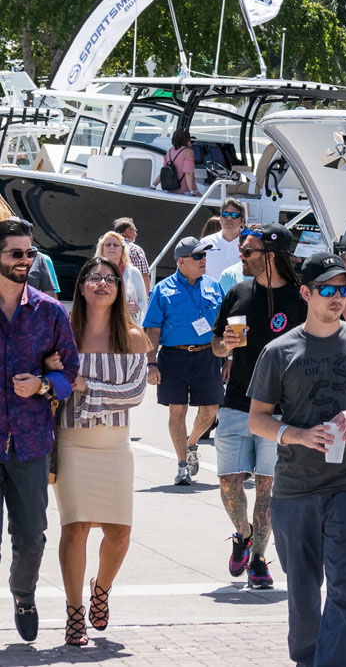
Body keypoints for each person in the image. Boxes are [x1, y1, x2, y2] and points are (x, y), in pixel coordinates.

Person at [248, 250, 346, 667]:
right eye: (327, 289)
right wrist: (296, 434)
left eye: (344, 289)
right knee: (303, 589)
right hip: (294, 488)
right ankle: (307, 657)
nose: (337, 297)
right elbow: (257, 420)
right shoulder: (280, 351)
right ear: (306, 293)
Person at [53, 257, 150, 646]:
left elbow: (136, 393)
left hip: (115, 445)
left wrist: (83, 384)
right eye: (93, 278)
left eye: (110, 279)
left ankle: (101, 589)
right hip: (72, 441)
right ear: (80, 286)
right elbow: (55, 379)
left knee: (119, 534)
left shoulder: (133, 335)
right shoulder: (64, 332)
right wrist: (66, 382)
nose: (102, 284)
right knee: (75, 528)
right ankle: (74, 611)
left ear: (120, 288)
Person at [210, 222, 306, 590]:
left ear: (272, 255)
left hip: (283, 408)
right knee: (229, 484)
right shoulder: (237, 292)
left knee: (268, 487)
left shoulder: (301, 299)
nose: (241, 255)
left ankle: (259, 558)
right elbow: (216, 345)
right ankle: (242, 534)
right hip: (237, 401)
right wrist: (226, 346)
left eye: (248, 251)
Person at [0, 217, 77, 642]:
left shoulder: (48, 311)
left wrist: (43, 384)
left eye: (30, 253)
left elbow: (72, 375)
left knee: (31, 536)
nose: (25, 261)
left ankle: (23, 594)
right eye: (16, 253)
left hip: (30, 442)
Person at [142, 236, 225, 486]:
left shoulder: (214, 286)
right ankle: (182, 465)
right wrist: (151, 363)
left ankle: (192, 443)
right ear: (182, 261)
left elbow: (223, 326)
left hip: (208, 354)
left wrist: (228, 357)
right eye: (198, 256)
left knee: (211, 408)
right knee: (178, 409)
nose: (203, 261)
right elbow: (152, 329)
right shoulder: (162, 290)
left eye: (204, 256)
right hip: (174, 356)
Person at [93, 231, 148, 319]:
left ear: (122, 250)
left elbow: (143, 301)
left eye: (115, 245)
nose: (112, 247)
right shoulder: (93, 271)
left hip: (126, 324)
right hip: (100, 321)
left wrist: (135, 308)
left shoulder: (133, 272)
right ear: (102, 249)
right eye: (108, 245)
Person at [205, 199, 248, 285]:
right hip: (212, 296)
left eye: (234, 215)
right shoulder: (205, 242)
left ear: (242, 221)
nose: (229, 218)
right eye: (225, 214)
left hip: (240, 296)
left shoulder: (250, 244)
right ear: (220, 219)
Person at [111, 218, 151, 295]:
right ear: (128, 231)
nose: (136, 234)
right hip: (129, 295)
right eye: (135, 231)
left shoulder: (107, 248)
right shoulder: (135, 249)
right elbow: (144, 276)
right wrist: (147, 297)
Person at [162, 129, 198, 195]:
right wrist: (192, 191)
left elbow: (164, 172)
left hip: (171, 191)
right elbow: (188, 173)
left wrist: (153, 185)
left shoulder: (169, 152)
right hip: (184, 191)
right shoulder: (188, 152)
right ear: (187, 139)